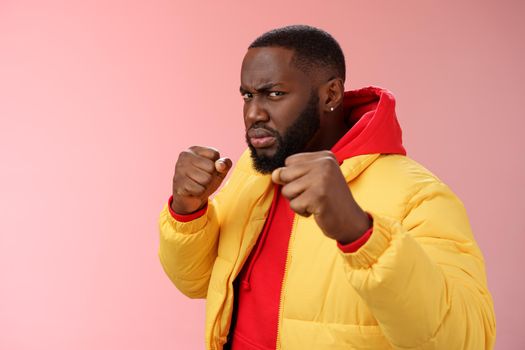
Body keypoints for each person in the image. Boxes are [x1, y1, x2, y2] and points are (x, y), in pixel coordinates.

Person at [158, 25, 496, 350]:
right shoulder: (254, 170)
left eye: (274, 93)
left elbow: (467, 341)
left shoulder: (420, 196)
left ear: (330, 94)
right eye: (247, 95)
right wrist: (187, 210)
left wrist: (360, 233)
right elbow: (198, 282)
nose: (253, 113)